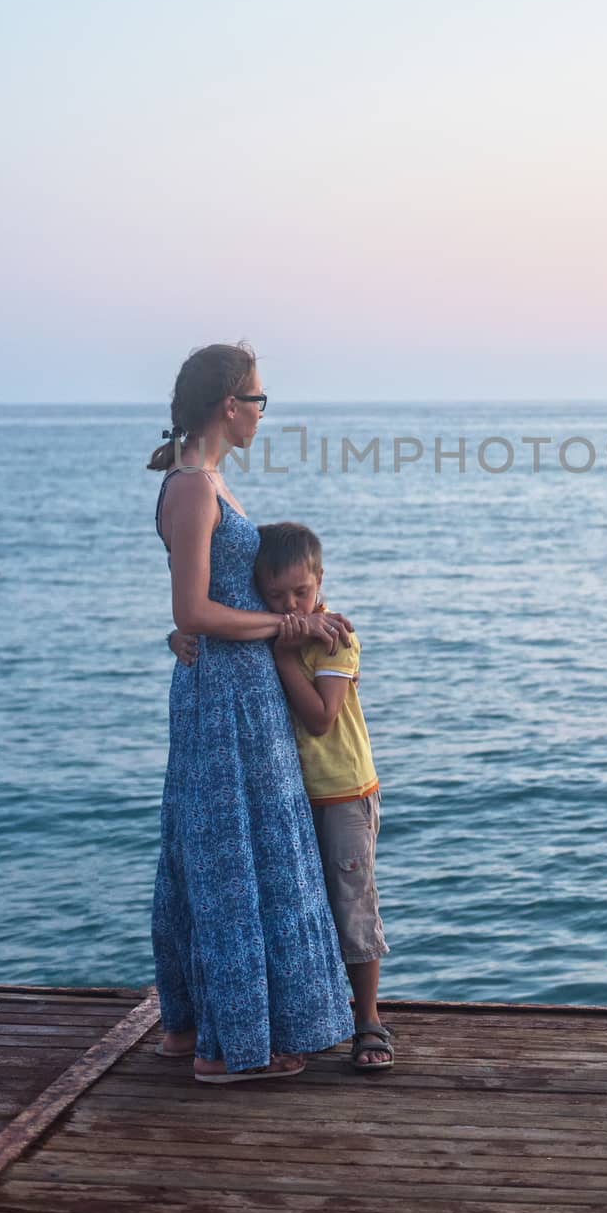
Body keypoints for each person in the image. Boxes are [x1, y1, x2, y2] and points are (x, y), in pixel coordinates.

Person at [148, 343, 354, 1084]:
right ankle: (231, 1052)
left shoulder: (208, 481)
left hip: (236, 690)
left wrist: (283, 625)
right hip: (225, 697)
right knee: (232, 859)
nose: (264, 413)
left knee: (215, 852)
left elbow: (203, 609)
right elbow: (193, 610)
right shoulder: (195, 488)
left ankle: (191, 1025)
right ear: (228, 405)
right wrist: (284, 629)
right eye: (259, 400)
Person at [171, 521, 393, 1071]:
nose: (292, 605)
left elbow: (320, 719)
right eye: (275, 597)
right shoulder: (273, 631)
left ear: (321, 581)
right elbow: (211, 635)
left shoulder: (333, 637)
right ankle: (312, 1016)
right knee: (304, 909)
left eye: (302, 592)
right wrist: (176, 638)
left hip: (342, 792)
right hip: (290, 798)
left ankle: (369, 1020)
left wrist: (286, 656)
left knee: (352, 909)